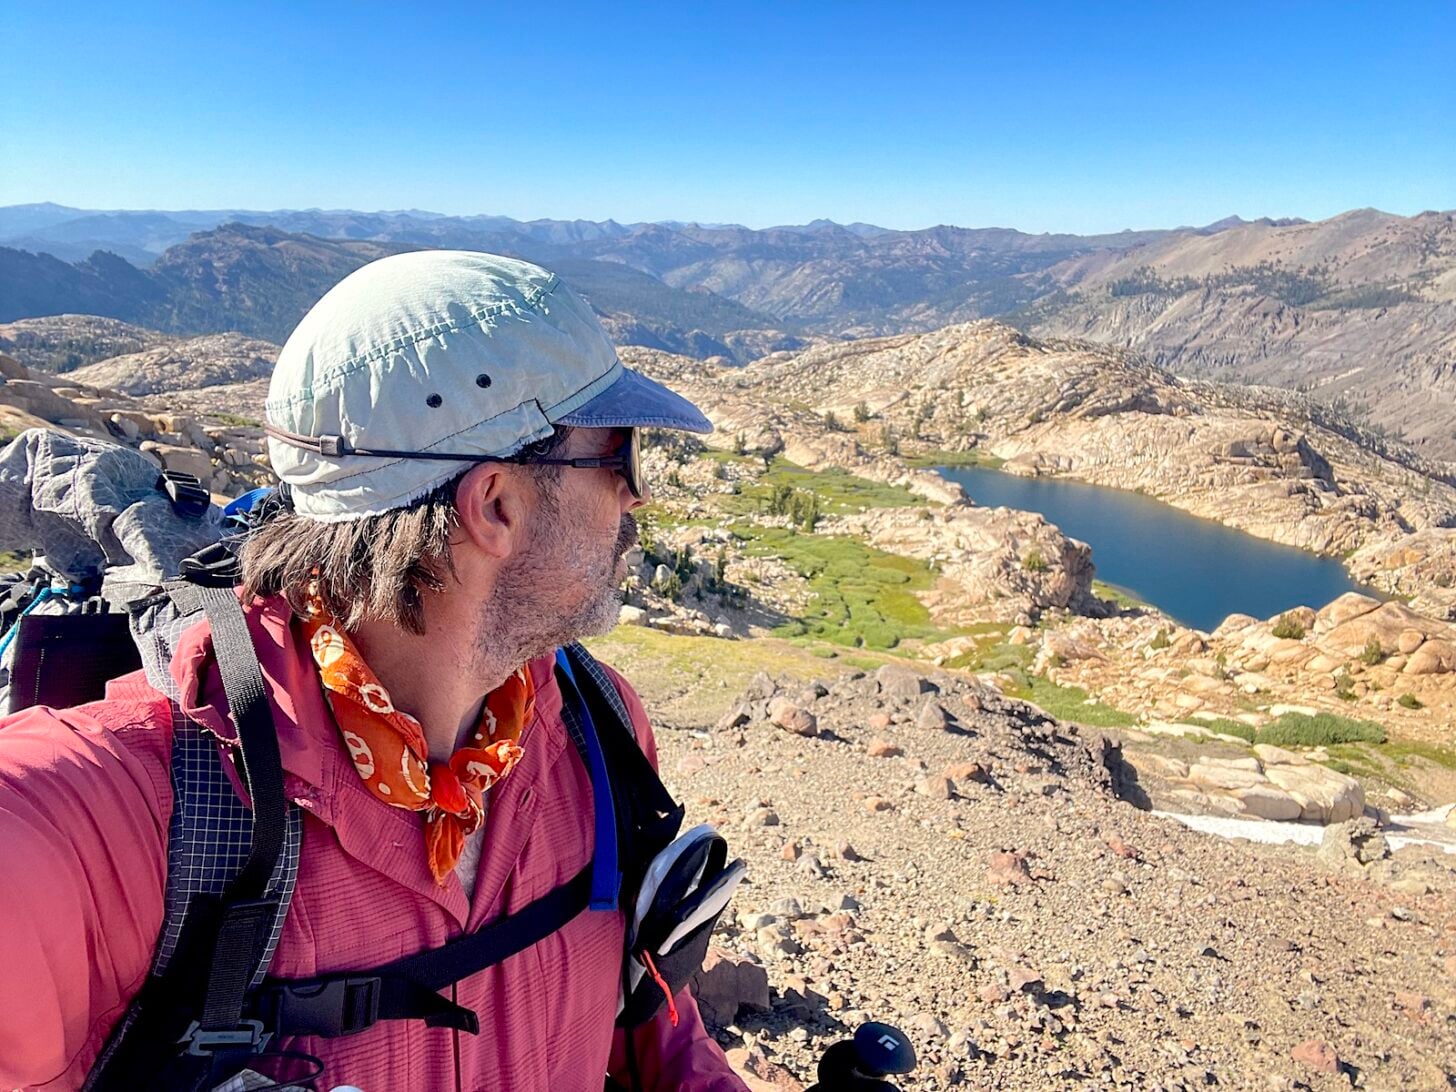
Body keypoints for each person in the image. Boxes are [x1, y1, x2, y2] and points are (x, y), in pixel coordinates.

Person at [0, 250, 751, 1092]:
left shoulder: (601, 726)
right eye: (620, 457)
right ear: (496, 506)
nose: (635, 498)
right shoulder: (131, 810)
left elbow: (648, 1025)